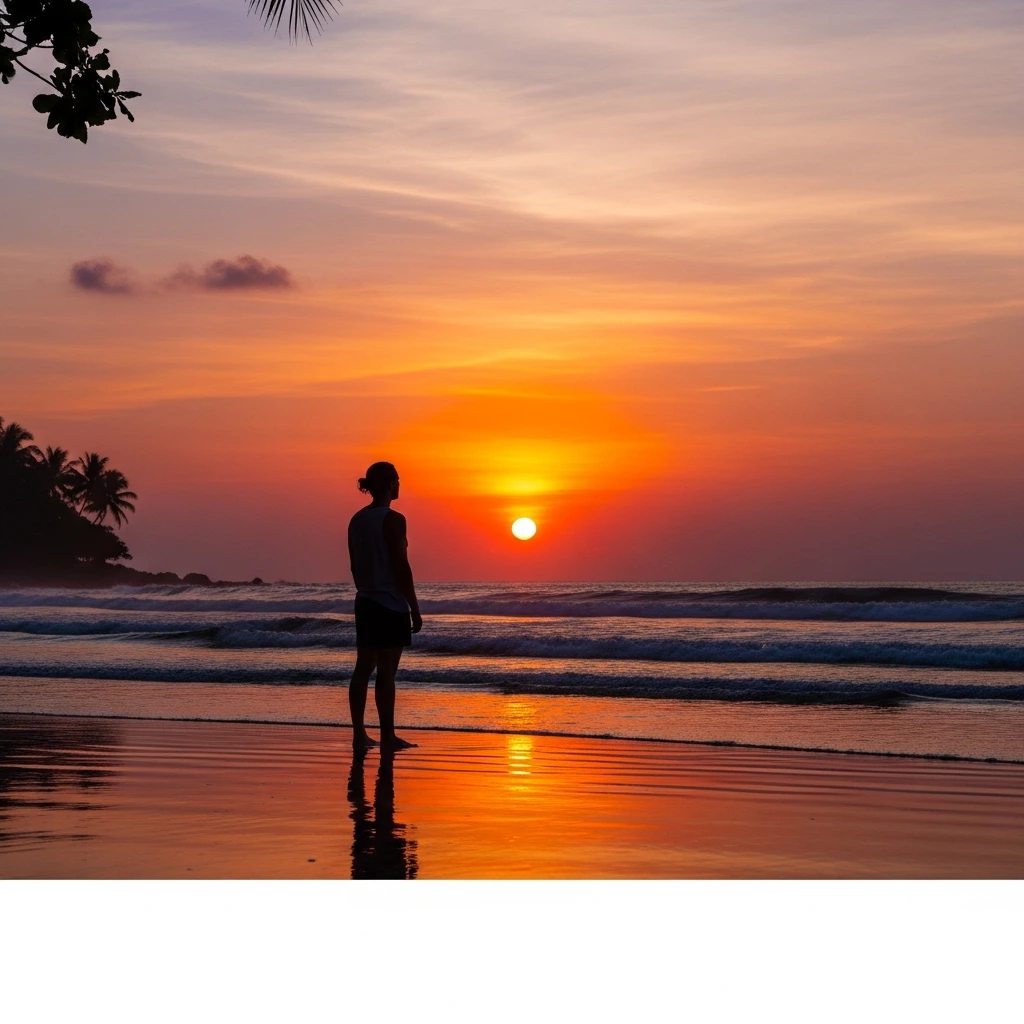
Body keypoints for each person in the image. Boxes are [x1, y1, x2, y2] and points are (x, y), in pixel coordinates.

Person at [347, 461, 422, 750]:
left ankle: (359, 734)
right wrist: (414, 606)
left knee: (363, 669)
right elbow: (402, 568)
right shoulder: (393, 519)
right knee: (387, 672)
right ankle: (388, 735)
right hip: (389, 604)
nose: (400, 485)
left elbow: (354, 564)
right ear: (390, 485)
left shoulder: (356, 519)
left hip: (365, 600)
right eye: (398, 480)